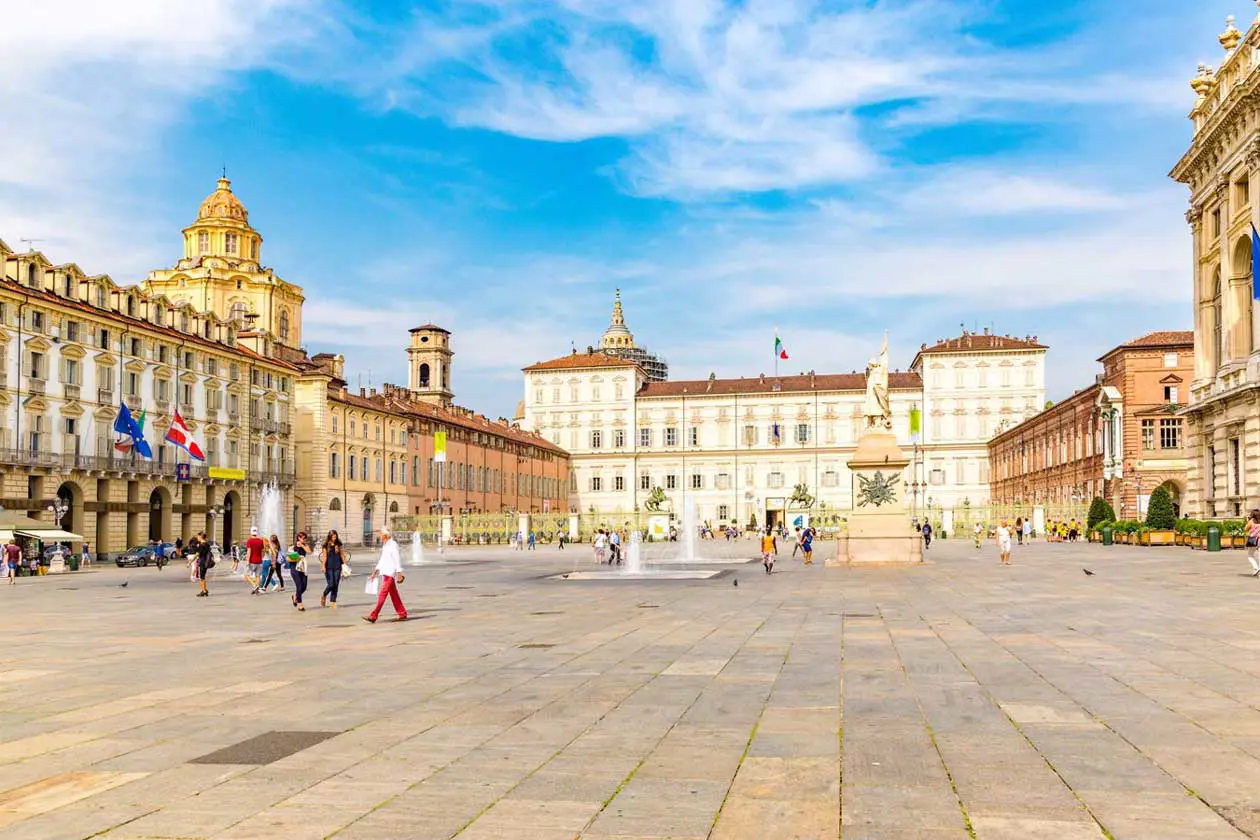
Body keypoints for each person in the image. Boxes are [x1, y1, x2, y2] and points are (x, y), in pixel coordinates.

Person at [363, 526, 407, 623]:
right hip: (385, 572)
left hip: (390, 572)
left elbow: (397, 558)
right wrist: (375, 571)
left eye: (381, 534)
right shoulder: (385, 545)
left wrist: (399, 572)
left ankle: (374, 615)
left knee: (382, 594)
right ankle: (402, 613)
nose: (380, 536)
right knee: (394, 594)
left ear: (385, 535)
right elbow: (382, 559)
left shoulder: (393, 544)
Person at [321, 530, 344, 608]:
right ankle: (324, 595)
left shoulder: (338, 544)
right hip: (329, 567)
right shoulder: (325, 545)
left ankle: (332, 602)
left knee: (336, 585)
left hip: (338, 566)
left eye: (335, 536)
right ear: (329, 537)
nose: (334, 538)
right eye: (333, 536)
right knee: (331, 584)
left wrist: (344, 565)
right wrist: (323, 566)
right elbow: (324, 556)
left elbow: (342, 555)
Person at [289, 532, 310, 611]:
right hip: (294, 567)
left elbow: (308, 551)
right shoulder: (292, 547)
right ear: (299, 538)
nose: (304, 540)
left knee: (304, 587)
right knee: (299, 586)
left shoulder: (305, 545)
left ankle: (295, 597)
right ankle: (300, 604)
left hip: (303, 568)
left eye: (305, 538)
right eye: (303, 538)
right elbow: (288, 558)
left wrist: (302, 545)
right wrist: (295, 558)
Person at [245, 527, 266, 593]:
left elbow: (249, 551)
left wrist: (247, 560)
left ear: (251, 532)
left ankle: (254, 585)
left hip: (252, 561)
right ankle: (257, 588)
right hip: (259, 561)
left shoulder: (249, 541)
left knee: (246, 575)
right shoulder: (260, 541)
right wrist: (261, 557)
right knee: (258, 576)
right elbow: (263, 551)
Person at [194, 531, 212, 597]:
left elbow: (197, 554)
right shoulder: (207, 544)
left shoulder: (201, 545)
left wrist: (190, 562)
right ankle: (204, 590)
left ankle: (204, 591)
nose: (197, 538)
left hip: (202, 562)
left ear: (200, 537)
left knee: (201, 578)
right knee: (203, 577)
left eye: (198, 536)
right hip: (206, 562)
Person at [1247, 510, 1260, 576]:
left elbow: (1245, 529)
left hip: (1253, 540)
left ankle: (1256, 568)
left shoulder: (1251, 521)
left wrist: (1248, 521)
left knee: (1250, 555)